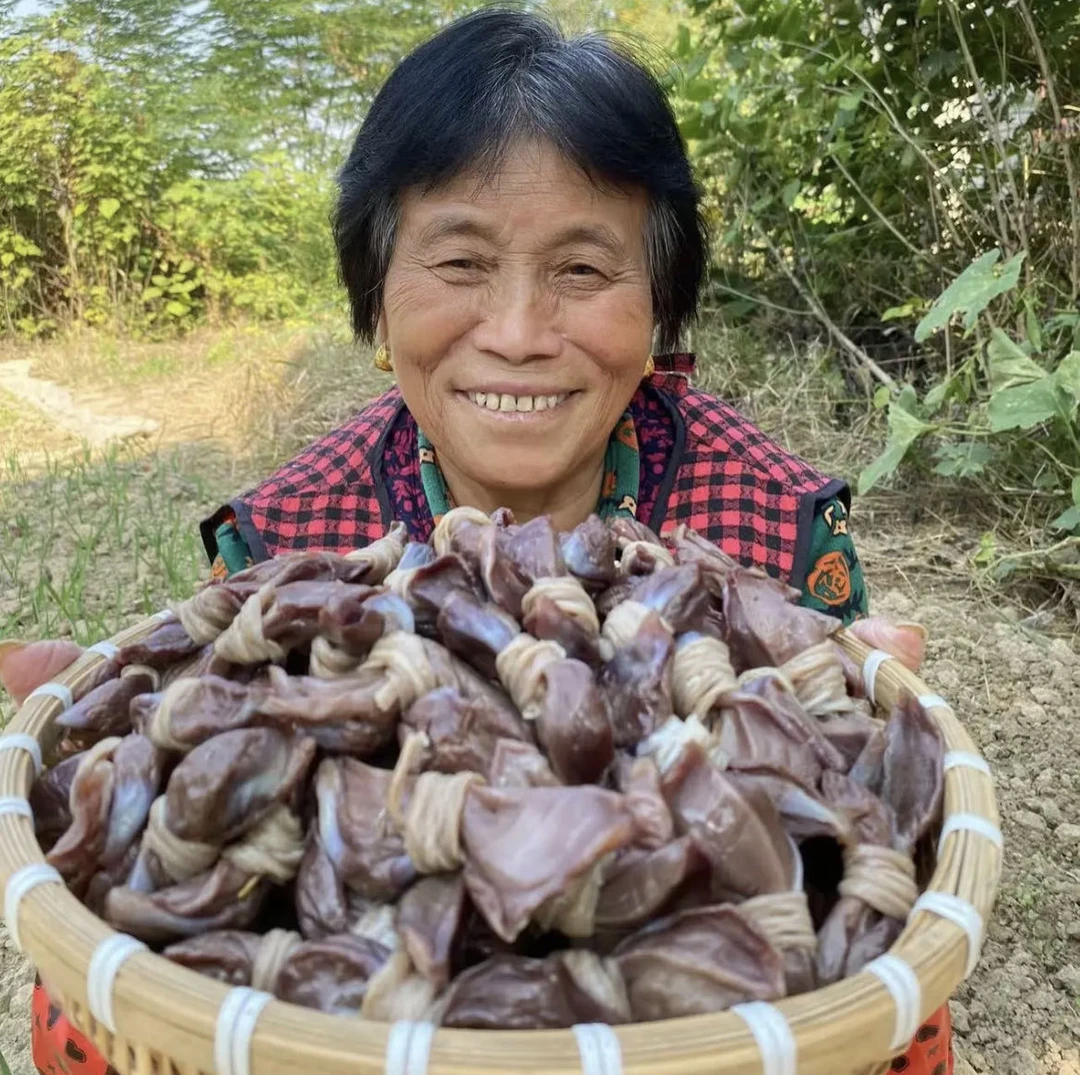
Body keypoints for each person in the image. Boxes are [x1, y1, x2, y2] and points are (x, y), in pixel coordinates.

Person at [0, 10, 949, 1075]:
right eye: (460, 261)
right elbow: (206, 780)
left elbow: (846, 783)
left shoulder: (771, 521)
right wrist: (118, 754)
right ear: (376, 294)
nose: (518, 332)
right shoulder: (285, 543)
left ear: (659, 305)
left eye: (582, 270)